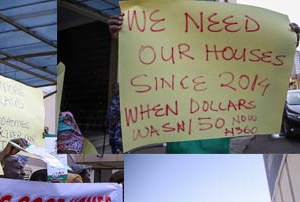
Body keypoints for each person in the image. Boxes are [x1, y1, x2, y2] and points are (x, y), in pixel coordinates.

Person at [108, 13, 300, 153]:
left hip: (219, 157)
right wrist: (125, 36)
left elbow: (264, 70)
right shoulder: (174, 81)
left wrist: (287, 40)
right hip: (177, 157)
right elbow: (146, 69)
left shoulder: (230, 82)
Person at [106, 83, 122, 154]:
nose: (114, 90)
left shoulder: (121, 99)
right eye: (113, 88)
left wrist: (116, 120)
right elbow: (109, 111)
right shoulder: (113, 98)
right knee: (111, 141)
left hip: (118, 123)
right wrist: (106, 121)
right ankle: (114, 153)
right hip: (110, 123)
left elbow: (121, 111)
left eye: (116, 88)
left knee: (117, 140)